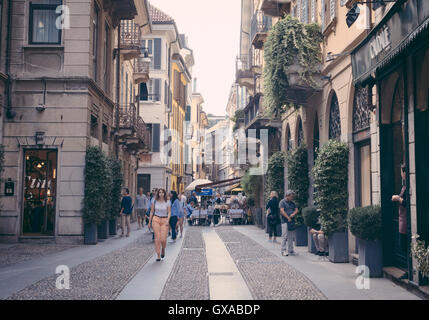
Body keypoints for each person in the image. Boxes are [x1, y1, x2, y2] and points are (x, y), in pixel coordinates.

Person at [392, 164, 409, 279]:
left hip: (406, 221)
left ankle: (409, 270)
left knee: (405, 245)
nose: (401, 174)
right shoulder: (404, 186)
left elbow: (407, 203)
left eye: (401, 172)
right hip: (402, 220)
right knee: (403, 245)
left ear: (405, 173)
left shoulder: (408, 186)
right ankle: (408, 270)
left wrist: (398, 198)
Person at [149, 188, 171, 261]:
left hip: (164, 220)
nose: (161, 194)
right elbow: (151, 212)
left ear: (164, 194)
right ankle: (158, 254)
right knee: (157, 238)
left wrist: (168, 220)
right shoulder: (154, 201)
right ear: (158, 193)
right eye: (160, 192)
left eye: (162, 192)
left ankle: (163, 249)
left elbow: (169, 212)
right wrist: (149, 222)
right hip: (156, 219)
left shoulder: (167, 202)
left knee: (163, 239)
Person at [279, 190, 299, 256]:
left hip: (292, 221)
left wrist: (293, 214)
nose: (292, 198)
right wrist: (288, 218)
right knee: (284, 236)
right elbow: (282, 211)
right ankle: (283, 250)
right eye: (291, 196)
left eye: (293, 197)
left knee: (291, 236)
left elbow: (296, 210)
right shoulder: (282, 202)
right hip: (285, 221)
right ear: (287, 196)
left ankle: (291, 250)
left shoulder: (292, 203)